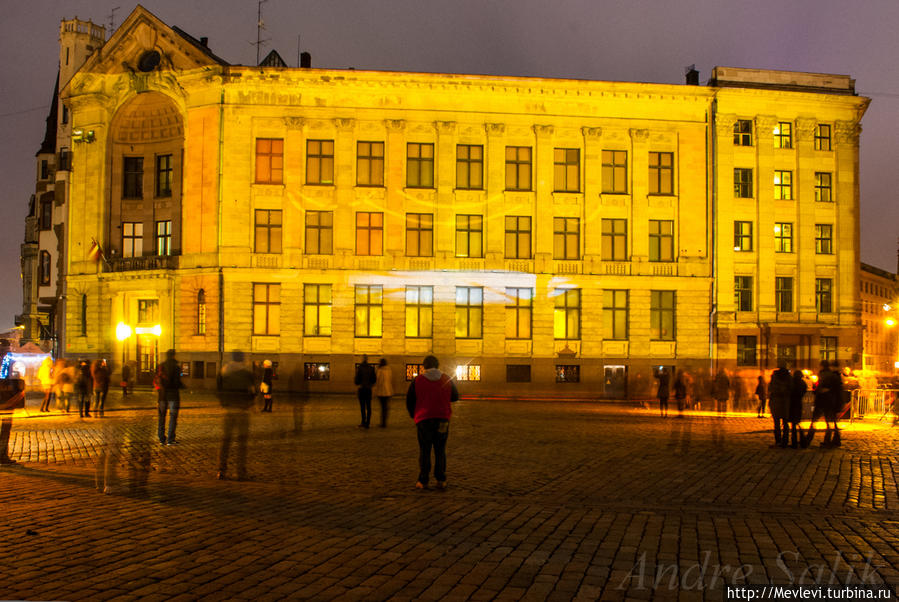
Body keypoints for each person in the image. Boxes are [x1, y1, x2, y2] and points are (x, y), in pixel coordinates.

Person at [406, 355, 459, 490]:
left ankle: (423, 480)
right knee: (440, 450)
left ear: (424, 366)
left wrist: (414, 415)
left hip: (424, 419)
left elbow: (410, 400)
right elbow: (455, 396)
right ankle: (441, 479)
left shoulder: (418, 380)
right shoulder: (446, 378)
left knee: (425, 450)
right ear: (438, 365)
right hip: (442, 418)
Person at [218, 350, 255, 480]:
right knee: (241, 443)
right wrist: (250, 402)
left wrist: (224, 403)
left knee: (226, 441)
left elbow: (219, 390)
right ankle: (240, 472)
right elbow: (252, 391)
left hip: (228, 410)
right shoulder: (246, 372)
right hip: (242, 410)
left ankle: (221, 470)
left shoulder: (224, 371)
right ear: (242, 359)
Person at [803, 360, 842, 448]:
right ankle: (828, 440)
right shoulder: (833, 375)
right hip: (829, 401)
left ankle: (808, 439)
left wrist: (816, 390)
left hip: (822, 401)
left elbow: (818, 388)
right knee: (829, 423)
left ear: (821, 366)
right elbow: (837, 390)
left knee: (815, 421)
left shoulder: (823, 375)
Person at [157, 349, 185, 445]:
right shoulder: (176, 367)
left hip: (162, 395)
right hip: (173, 395)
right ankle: (170, 439)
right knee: (173, 416)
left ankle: (161, 439)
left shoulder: (161, 366)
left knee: (161, 416)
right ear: (173, 356)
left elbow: (157, 379)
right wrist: (182, 386)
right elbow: (177, 382)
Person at [768, 364, 792, 448]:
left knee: (777, 423)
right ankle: (785, 441)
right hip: (785, 403)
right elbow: (791, 390)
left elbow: (770, 389)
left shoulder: (774, 378)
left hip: (776, 403)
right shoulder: (789, 378)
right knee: (785, 423)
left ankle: (778, 441)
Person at [354, 355, 376, 429]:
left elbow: (356, 381)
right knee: (369, 407)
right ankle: (368, 423)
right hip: (368, 389)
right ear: (368, 359)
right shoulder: (371, 368)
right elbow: (374, 379)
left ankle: (363, 422)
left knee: (362, 407)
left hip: (362, 389)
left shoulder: (360, 368)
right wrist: (370, 384)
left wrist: (359, 382)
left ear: (362, 359)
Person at [788, 369, 808, 448]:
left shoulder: (792, 382)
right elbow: (804, 390)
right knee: (797, 422)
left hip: (792, 403)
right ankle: (801, 440)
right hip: (798, 403)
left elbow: (789, 390)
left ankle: (794, 442)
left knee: (793, 424)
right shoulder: (802, 383)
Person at [373, 358, 394, 427]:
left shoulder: (380, 370)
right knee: (385, 407)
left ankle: (383, 423)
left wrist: (375, 391)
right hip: (388, 391)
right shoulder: (389, 370)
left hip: (382, 392)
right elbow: (390, 380)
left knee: (383, 408)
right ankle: (384, 422)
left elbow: (378, 381)